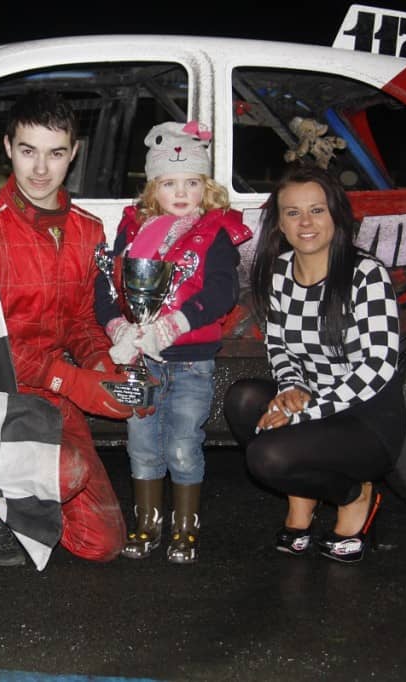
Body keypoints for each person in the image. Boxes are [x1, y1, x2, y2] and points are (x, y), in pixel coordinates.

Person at [0, 89, 142, 567]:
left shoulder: (88, 228)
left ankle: (20, 492)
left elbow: (82, 320)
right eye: (28, 151)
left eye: (55, 153)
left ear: (74, 152)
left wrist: (102, 365)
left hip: (52, 393)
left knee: (102, 544)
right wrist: (72, 379)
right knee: (64, 474)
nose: (41, 169)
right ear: (8, 147)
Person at [222, 164, 406, 564]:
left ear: (336, 216)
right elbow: (281, 348)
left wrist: (305, 412)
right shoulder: (278, 274)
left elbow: (377, 366)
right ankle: (301, 503)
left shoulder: (366, 274)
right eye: (293, 213)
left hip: (367, 417)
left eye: (317, 210)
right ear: (280, 226)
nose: (305, 222)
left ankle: (355, 495)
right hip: (314, 405)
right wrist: (289, 389)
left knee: (266, 457)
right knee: (242, 400)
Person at [95, 121, 252, 564]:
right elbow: (108, 288)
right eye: (169, 183)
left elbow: (222, 292)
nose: (181, 192)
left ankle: (186, 527)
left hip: (190, 361)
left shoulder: (215, 232)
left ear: (206, 186)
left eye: (191, 182)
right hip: (140, 360)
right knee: (141, 443)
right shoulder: (131, 231)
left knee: (184, 444)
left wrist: (176, 324)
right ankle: (148, 523)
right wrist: (117, 328)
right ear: (153, 188)